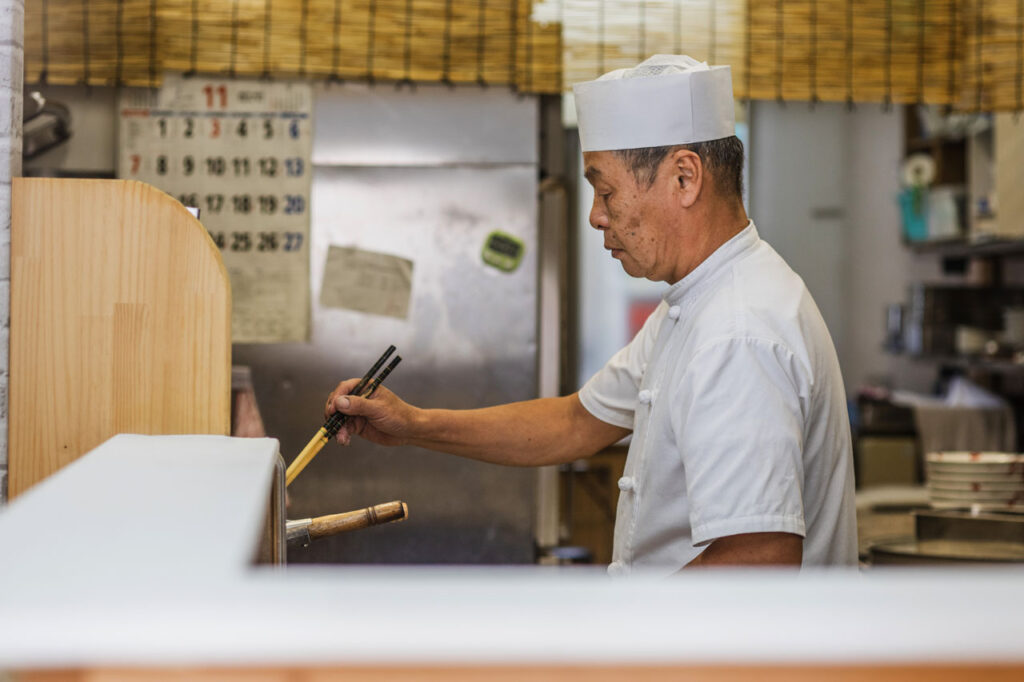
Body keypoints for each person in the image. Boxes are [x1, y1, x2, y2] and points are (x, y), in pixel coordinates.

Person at [325, 55, 857, 575]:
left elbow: (757, 561)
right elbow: (576, 422)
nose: (596, 216)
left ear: (684, 178)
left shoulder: (738, 332)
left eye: (606, 190)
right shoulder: (696, 303)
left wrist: (614, 635)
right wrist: (414, 424)